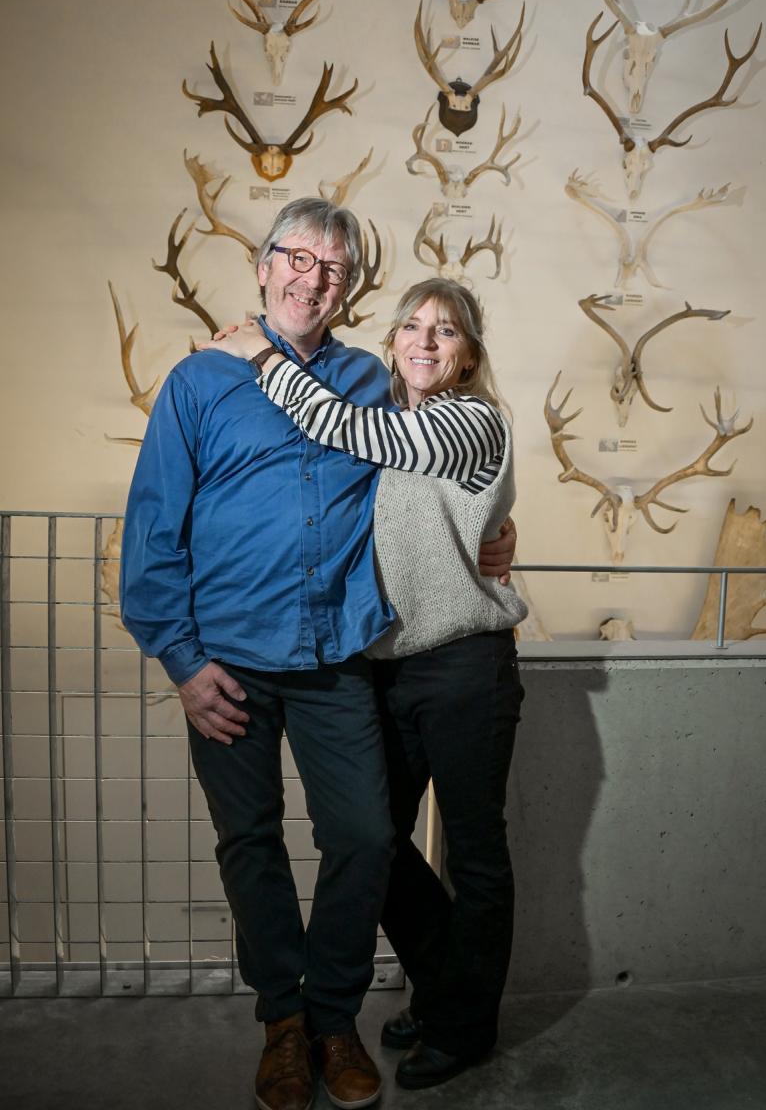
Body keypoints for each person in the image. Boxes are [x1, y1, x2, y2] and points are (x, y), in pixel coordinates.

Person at [119, 199, 515, 1110]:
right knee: (249, 843)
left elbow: (426, 476)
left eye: (332, 269)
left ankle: (335, 1015)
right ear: (262, 267)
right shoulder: (198, 382)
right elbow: (151, 533)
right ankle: (284, 1028)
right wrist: (181, 662)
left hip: (338, 658)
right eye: (295, 259)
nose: (311, 278)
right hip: (227, 664)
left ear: (347, 289)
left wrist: (500, 529)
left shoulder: (370, 380)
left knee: (367, 838)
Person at [202, 276, 528, 1091]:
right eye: (411, 327)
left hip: (464, 668)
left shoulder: (468, 422)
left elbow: (341, 426)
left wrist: (258, 354)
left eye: (444, 332)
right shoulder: (396, 426)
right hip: (384, 667)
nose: (423, 341)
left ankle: (465, 1025)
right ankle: (450, 988)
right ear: (391, 342)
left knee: (476, 854)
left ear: (467, 355)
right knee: (372, 845)